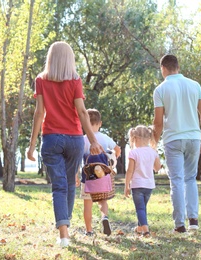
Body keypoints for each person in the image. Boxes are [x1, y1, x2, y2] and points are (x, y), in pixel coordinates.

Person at [27, 41, 104, 247]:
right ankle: (65, 229)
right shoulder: (75, 80)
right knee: (69, 183)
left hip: (51, 138)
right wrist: (93, 140)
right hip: (74, 139)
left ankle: (64, 233)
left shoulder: (41, 80)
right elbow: (81, 112)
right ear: (69, 59)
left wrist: (32, 145)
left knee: (59, 186)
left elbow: (39, 113)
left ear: (50, 58)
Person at [152, 54, 201, 233]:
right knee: (190, 178)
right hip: (193, 138)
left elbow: (158, 122)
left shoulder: (160, 90)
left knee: (176, 180)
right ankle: (193, 221)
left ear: (163, 68)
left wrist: (153, 142)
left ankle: (179, 225)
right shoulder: (195, 85)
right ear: (177, 66)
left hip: (173, 139)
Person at [79, 108, 121, 237]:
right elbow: (117, 149)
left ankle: (89, 230)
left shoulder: (83, 139)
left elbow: (77, 156)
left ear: (83, 122)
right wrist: (113, 161)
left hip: (87, 178)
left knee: (88, 204)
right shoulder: (104, 137)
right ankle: (104, 217)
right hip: (102, 177)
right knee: (103, 201)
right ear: (100, 123)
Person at [124, 125, 161, 237]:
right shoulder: (153, 152)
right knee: (143, 208)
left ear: (135, 138)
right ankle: (140, 227)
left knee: (140, 208)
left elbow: (129, 171)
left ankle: (145, 230)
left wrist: (126, 185)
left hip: (137, 185)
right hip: (149, 185)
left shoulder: (133, 153)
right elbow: (157, 168)